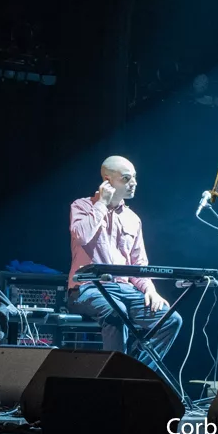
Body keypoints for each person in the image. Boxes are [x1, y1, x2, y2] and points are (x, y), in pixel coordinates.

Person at [67, 155, 183, 371]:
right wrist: (102, 203)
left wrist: (150, 289)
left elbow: (139, 264)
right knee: (116, 312)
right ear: (107, 180)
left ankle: (135, 372)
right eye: (126, 178)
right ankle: (115, 377)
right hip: (87, 289)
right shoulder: (82, 206)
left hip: (125, 290)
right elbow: (81, 236)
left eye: (135, 178)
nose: (134, 183)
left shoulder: (133, 218)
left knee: (171, 319)